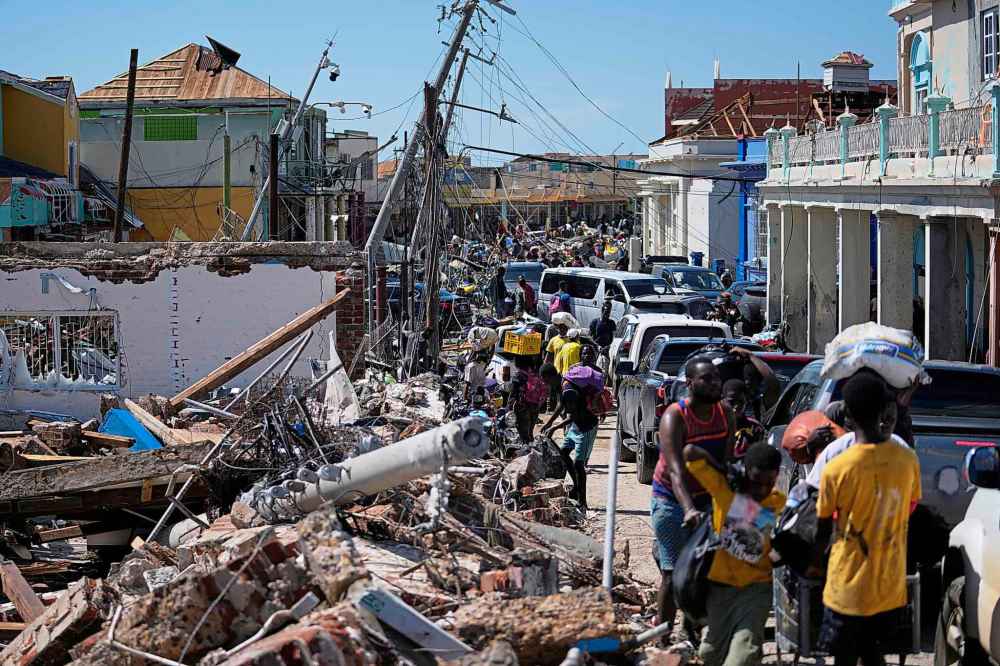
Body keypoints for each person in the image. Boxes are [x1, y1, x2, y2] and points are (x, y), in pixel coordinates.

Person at [812, 371, 921, 666]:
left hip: (845, 584)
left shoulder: (836, 467)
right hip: (889, 584)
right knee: (873, 651)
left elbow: (823, 528)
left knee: (846, 656)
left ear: (847, 415)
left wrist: (813, 564)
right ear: (884, 412)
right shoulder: (907, 459)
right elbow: (911, 506)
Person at [652, 356, 736, 633]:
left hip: (707, 498)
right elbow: (675, 471)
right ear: (690, 383)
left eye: (716, 378)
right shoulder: (675, 416)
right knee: (673, 573)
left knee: (703, 572)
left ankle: (692, 633)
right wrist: (688, 509)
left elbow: (724, 466)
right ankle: (661, 635)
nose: (715, 384)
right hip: (672, 500)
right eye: (707, 379)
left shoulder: (726, 414)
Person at [683, 443, 785, 666]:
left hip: (756, 589)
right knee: (710, 654)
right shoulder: (725, 491)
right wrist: (725, 469)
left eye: (769, 483)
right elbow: (690, 451)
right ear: (747, 473)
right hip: (720, 588)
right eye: (757, 482)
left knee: (743, 654)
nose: (762, 490)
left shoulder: (777, 502)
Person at [541, 362, 603, 511]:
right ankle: (576, 488)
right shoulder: (563, 385)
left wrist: (554, 427)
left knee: (578, 465)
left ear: (550, 377)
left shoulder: (569, 390)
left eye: (545, 381)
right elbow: (560, 407)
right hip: (576, 426)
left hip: (586, 427)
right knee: (563, 453)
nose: (546, 384)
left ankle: (583, 501)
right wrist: (548, 423)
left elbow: (573, 415)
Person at [722, 379, 765, 458]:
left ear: (746, 401)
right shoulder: (714, 426)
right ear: (723, 400)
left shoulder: (755, 428)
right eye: (731, 402)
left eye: (741, 402)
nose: (736, 406)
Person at [509, 356, 547, 445]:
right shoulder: (535, 374)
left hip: (523, 407)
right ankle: (532, 450)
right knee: (530, 432)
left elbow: (513, 394)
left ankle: (527, 454)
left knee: (523, 434)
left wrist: (509, 407)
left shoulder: (518, 374)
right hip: (535, 406)